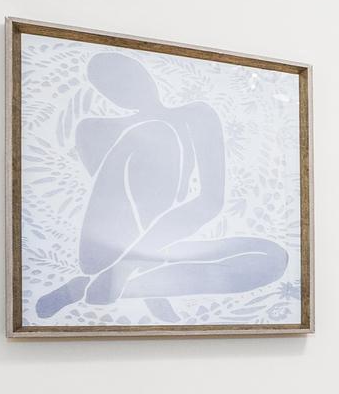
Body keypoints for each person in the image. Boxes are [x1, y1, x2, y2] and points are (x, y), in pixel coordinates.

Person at [35, 51, 289, 322]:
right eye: (113, 87)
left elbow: (210, 202)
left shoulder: (197, 115)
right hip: (114, 247)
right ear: (109, 95)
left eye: (131, 75)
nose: (128, 89)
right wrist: (129, 258)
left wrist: (130, 265)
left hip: (165, 244)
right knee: (157, 131)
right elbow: (114, 205)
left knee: (273, 258)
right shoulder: (95, 129)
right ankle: (123, 278)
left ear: (144, 72)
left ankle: (108, 287)